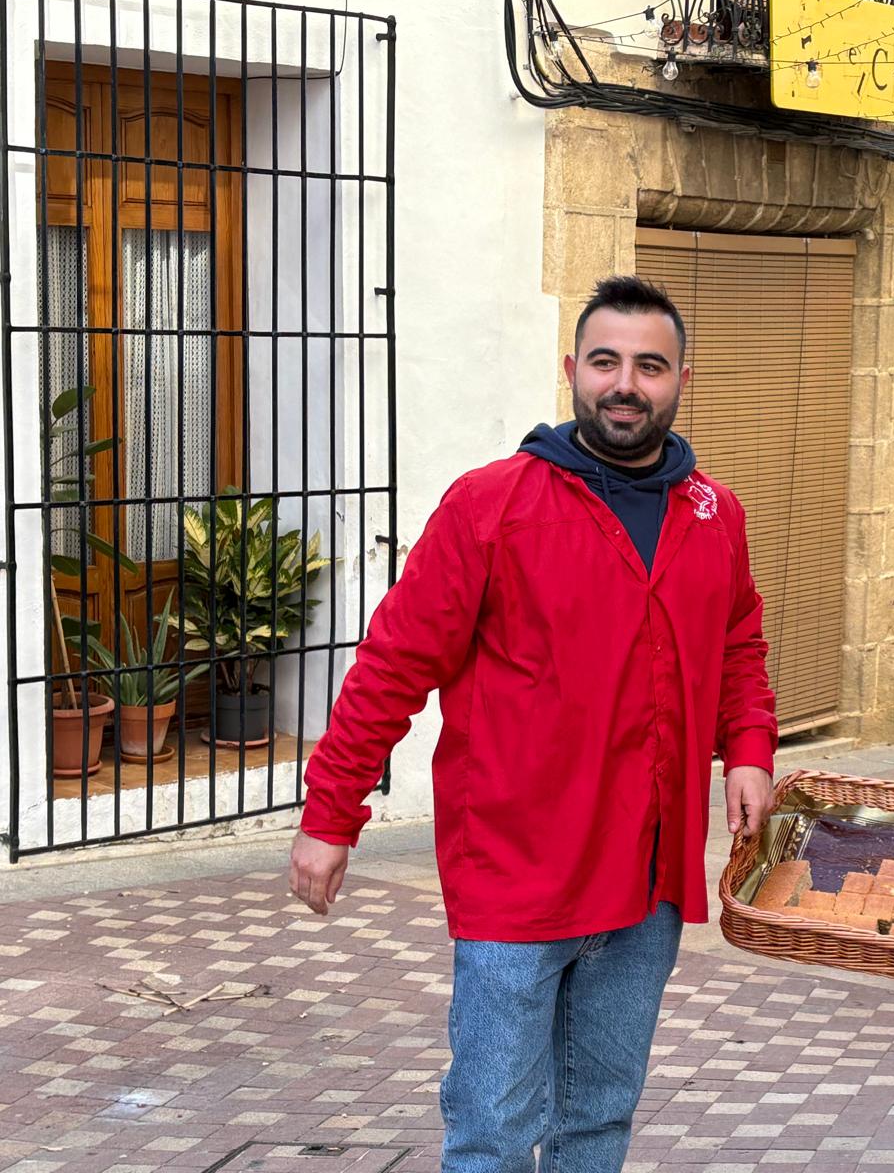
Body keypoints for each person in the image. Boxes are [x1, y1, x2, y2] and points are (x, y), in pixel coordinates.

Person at [287, 276, 778, 1173]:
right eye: (605, 362)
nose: (625, 383)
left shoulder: (714, 513)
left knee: (598, 1123)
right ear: (573, 371)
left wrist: (747, 749)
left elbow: (740, 640)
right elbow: (393, 666)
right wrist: (331, 817)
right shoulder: (491, 505)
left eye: (649, 366)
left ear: (681, 380)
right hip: (517, 882)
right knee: (494, 1136)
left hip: (647, 883)